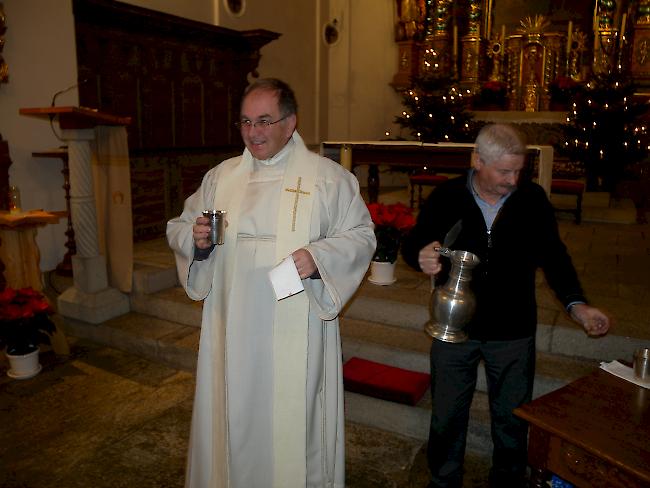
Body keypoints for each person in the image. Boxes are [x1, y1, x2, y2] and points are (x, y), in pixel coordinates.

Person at [167, 78, 376, 488]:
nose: (253, 132)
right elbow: (179, 226)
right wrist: (198, 241)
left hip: (293, 316)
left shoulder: (327, 179)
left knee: (291, 415)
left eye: (264, 121)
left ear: (290, 123)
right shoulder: (221, 177)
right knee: (235, 411)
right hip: (232, 321)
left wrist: (318, 258)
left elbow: (361, 236)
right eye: (245, 121)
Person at [401, 123, 610, 488]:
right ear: (477, 160)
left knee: (512, 422)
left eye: (519, 171)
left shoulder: (531, 200)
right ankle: (444, 481)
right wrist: (420, 253)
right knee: (447, 419)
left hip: (513, 330)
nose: (514, 180)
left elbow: (555, 257)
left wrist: (578, 306)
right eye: (504, 171)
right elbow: (418, 238)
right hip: (455, 329)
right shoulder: (447, 196)